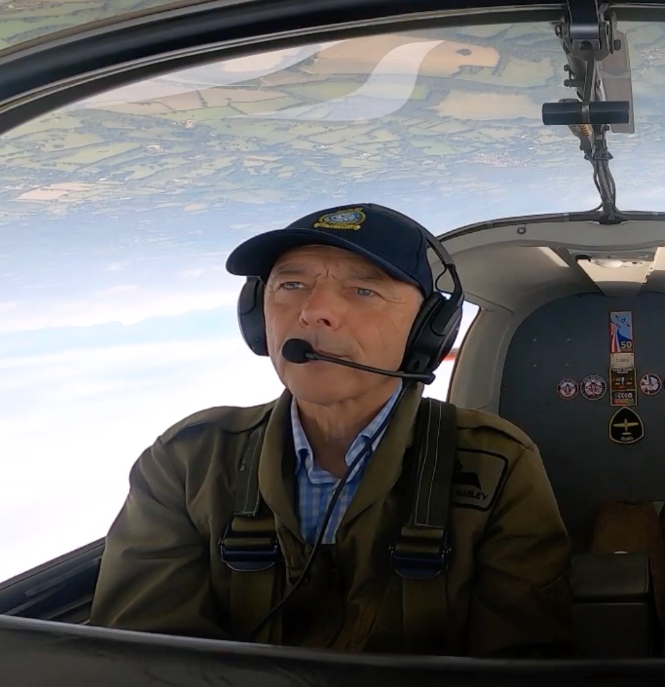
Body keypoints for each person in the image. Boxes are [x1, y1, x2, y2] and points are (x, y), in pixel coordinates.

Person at [90, 202, 574, 658]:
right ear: (257, 319)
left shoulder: (494, 463)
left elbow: (516, 676)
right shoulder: (188, 460)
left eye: (363, 290)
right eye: (290, 285)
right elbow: (145, 664)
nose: (312, 311)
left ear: (429, 329)